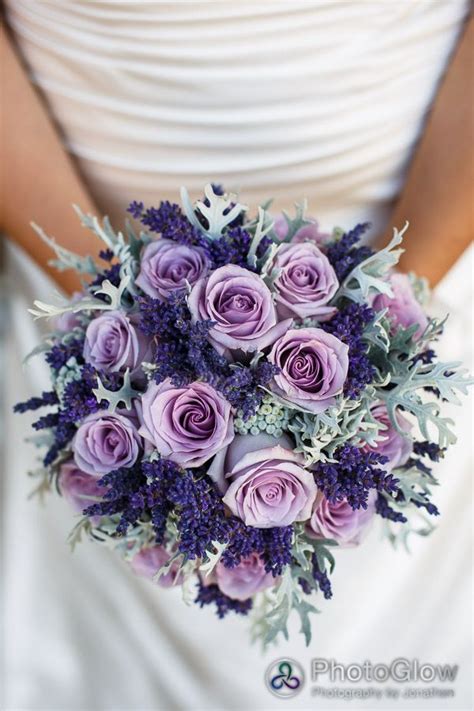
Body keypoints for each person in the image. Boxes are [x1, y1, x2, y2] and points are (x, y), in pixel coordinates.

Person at [1, 3, 472, 710]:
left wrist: (387, 320)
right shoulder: (100, 332)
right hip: (67, 251)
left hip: (431, 231)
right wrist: (107, 304)